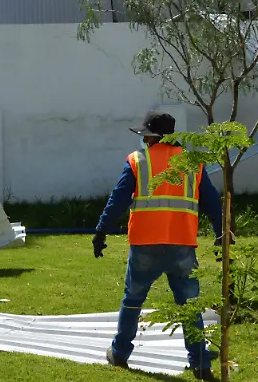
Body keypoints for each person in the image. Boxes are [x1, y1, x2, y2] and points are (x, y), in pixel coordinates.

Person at [91, 110, 224, 380]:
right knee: (190, 306)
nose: (143, 140)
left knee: (132, 301)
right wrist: (221, 234)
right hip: (182, 245)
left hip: (145, 245)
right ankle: (200, 363)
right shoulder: (193, 163)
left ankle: (119, 354)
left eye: (145, 135)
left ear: (152, 136)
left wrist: (101, 231)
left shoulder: (137, 161)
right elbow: (212, 203)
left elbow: (118, 200)